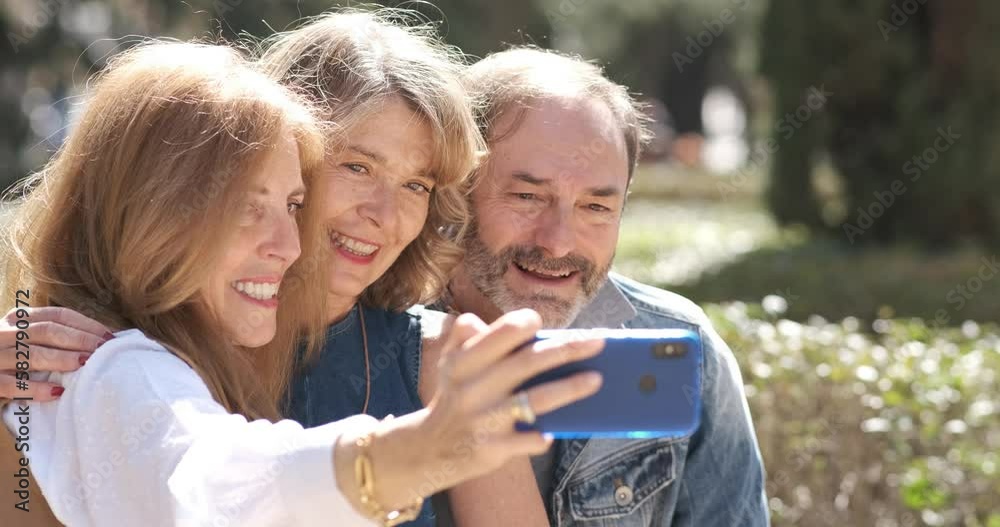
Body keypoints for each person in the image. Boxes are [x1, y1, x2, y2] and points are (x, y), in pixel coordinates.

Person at [0, 41, 604, 526]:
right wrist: (418, 450)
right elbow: (215, 482)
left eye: (416, 185)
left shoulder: (438, 354)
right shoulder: (105, 360)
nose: (384, 214)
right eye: (357, 167)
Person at [420, 47, 770, 526]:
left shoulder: (684, 348)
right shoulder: (373, 341)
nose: (559, 242)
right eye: (527, 196)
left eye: (596, 207)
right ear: (454, 194)